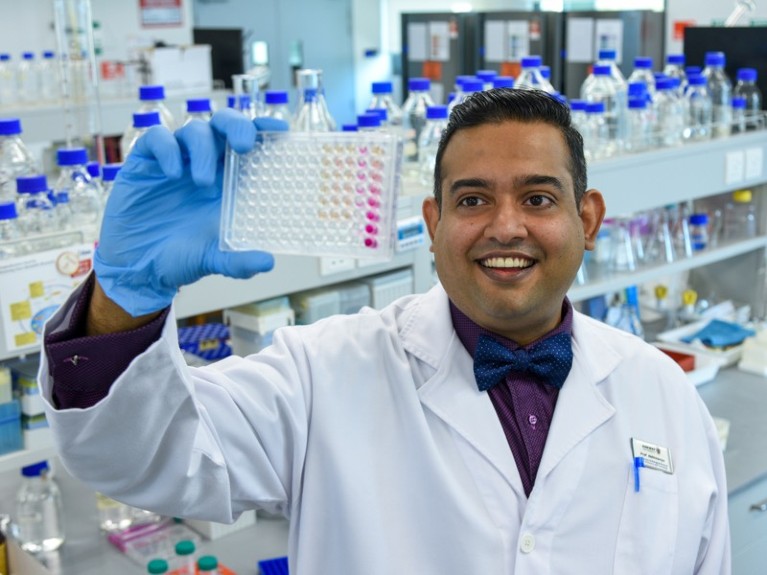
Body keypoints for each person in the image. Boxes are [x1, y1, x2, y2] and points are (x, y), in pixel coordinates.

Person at [40, 89, 729, 574]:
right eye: (472, 198)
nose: (505, 225)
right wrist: (120, 297)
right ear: (432, 223)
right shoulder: (319, 375)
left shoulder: (660, 392)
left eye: (538, 197)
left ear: (589, 217)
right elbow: (135, 457)